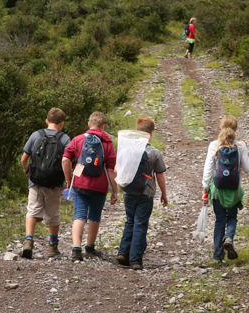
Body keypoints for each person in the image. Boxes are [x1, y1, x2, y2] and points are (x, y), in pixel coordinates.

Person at [62, 111, 118, 261]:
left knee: (79, 215)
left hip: (79, 184)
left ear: (89, 124)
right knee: (94, 216)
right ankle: (90, 247)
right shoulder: (107, 142)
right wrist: (115, 191)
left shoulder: (78, 139)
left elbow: (65, 160)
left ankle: (76, 249)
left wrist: (68, 180)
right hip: (100, 186)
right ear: (104, 126)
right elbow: (111, 169)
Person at [116, 117, 169, 270]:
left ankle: (123, 253)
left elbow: (117, 169)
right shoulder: (154, 153)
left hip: (128, 191)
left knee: (130, 221)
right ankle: (135, 260)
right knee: (140, 224)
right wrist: (164, 194)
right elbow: (159, 175)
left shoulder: (127, 149)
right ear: (151, 133)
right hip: (146, 193)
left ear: (137, 131)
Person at [19, 107, 71, 259]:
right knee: (53, 214)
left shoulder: (36, 135)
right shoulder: (64, 138)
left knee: (32, 211)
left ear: (47, 121)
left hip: (36, 181)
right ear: (62, 123)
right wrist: (68, 180)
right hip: (55, 183)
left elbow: (24, 158)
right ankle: (52, 247)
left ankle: (28, 241)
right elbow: (67, 160)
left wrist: (26, 169)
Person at [201, 115, 249, 262]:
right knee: (232, 217)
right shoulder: (240, 146)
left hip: (217, 190)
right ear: (236, 129)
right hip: (234, 189)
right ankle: (229, 237)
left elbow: (208, 170)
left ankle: (217, 256)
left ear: (220, 127)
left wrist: (205, 189)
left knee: (219, 220)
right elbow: (248, 169)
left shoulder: (214, 145)